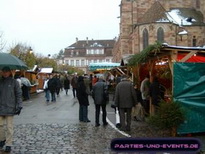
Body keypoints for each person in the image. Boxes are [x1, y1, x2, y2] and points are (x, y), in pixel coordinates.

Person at [0, 67, 22, 152]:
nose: (5, 73)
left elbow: (18, 94)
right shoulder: (0, 82)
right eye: (3, 72)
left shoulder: (14, 82)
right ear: (1, 72)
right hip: (1, 107)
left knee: (9, 127)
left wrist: (19, 106)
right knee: (0, 126)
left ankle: (8, 144)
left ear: (9, 72)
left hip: (10, 107)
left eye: (6, 72)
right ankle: (2, 139)